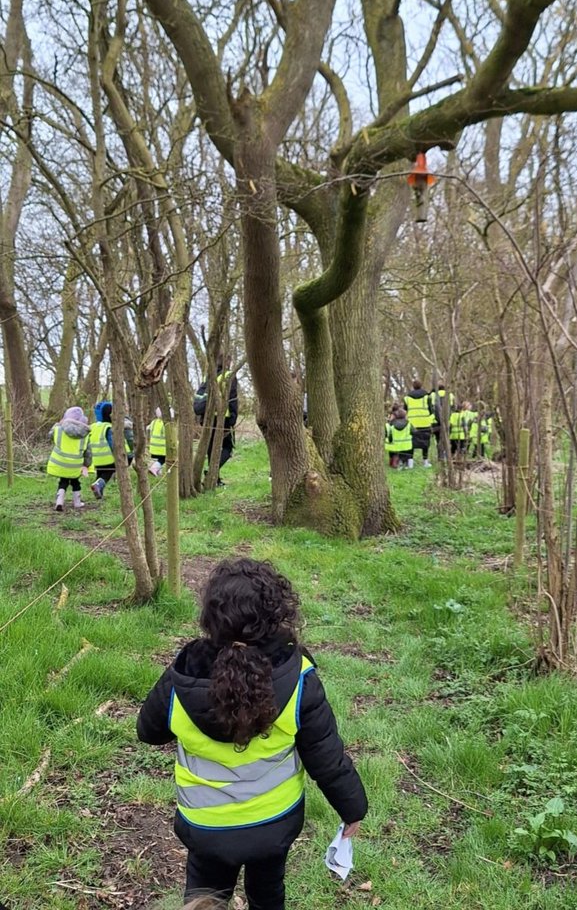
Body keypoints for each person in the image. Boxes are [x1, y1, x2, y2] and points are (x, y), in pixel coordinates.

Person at [137, 558, 367, 908]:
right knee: (268, 893)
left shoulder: (182, 678)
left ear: (210, 618)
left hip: (204, 825)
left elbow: (148, 732)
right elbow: (327, 757)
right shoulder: (299, 678)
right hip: (273, 824)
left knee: (204, 896)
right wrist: (353, 809)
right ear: (276, 616)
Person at [194, 362, 239, 486]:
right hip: (223, 418)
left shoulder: (208, 376)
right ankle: (211, 472)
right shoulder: (229, 375)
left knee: (211, 448)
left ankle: (215, 479)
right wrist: (233, 418)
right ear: (228, 362)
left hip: (207, 419)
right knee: (228, 448)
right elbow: (232, 399)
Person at [46, 405, 92, 512]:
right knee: (75, 482)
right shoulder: (85, 434)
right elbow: (88, 453)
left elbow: (50, 435)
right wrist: (87, 465)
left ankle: (59, 501)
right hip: (75, 465)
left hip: (60, 463)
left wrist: (58, 423)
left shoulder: (58, 429)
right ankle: (77, 502)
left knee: (63, 481)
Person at [90, 400, 134, 500]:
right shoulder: (109, 427)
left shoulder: (93, 427)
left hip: (96, 458)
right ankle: (98, 486)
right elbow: (113, 443)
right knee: (108, 473)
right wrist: (119, 455)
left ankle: (99, 493)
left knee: (100, 473)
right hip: (108, 458)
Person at [404, 378, 435, 467]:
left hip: (412, 424)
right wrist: (431, 420)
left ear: (413, 387)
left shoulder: (407, 398)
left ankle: (410, 464)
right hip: (425, 423)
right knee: (425, 443)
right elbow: (431, 410)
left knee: (411, 444)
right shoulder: (427, 396)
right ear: (421, 386)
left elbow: (405, 410)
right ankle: (425, 462)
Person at [430, 380, 455, 461]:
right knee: (446, 439)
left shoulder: (433, 395)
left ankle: (440, 456)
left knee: (438, 440)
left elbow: (430, 408)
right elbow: (453, 408)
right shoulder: (450, 395)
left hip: (435, 422)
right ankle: (446, 455)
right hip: (448, 420)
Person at [385, 404, 414, 468]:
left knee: (394, 451)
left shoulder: (390, 424)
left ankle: (393, 462)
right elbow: (414, 432)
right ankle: (404, 463)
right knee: (405, 452)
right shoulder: (408, 424)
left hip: (393, 445)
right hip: (406, 446)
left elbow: (386, 434)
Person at [147, 408, 167, 477]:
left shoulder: (154, 422)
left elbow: (148, 428)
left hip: (153, 447)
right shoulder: (164, 424)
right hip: (161, 448)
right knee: (162, 460)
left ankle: (158, 473)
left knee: (158, 459)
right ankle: (154, 469)